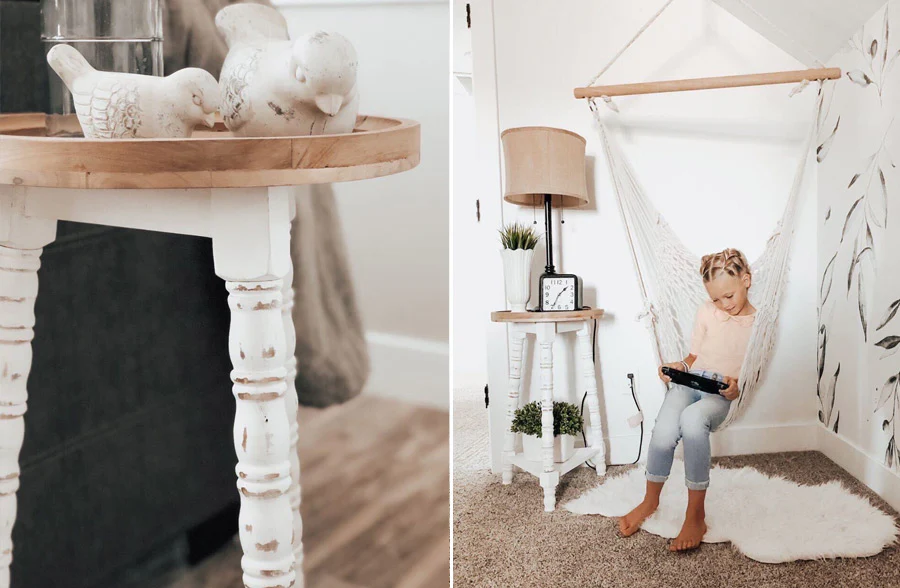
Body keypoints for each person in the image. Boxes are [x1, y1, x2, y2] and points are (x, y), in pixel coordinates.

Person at [619, 248, 756, 551]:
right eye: (716, 299)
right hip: (690, 382)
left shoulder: (758, 325)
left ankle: (696, 514)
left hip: (719, 393)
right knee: (665, 430)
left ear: (746, 280)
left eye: (729, 296)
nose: (724, 304)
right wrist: (678, 367)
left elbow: (747, 377)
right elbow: (693, 357)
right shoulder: (707, 311)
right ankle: (650, 501)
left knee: (693, 420)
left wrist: (734, 389)